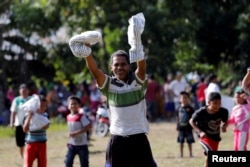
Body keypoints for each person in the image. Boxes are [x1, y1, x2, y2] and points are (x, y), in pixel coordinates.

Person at [69, 13, 157, 167]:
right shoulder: (109, 85)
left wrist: (137, 43)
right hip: (117, 138)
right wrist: (87, 52)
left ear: (129, 66)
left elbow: (141, 68)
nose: (119, 67)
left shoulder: (138, 82)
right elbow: (95, 71)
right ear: (111, 67)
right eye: (116, 65)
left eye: (123, 64)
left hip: (139, 137)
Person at [189, 92, 228, 167]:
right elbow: (191, 121)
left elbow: (225, 122)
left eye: (219, 103)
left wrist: (224, 127)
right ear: (209, 102)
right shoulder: (201, 112)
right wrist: (200, 132)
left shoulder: (223, 112)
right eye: (215, 103)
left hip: (215, 138)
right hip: (204, 137)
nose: (217, 106)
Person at [23, 95, 50, 167]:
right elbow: (25, 129)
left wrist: (37, 120)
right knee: (28, 164)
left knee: (42, 164)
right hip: (31, 143)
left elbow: (46, 126)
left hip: (42, 143)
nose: (43, 108)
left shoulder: (45, 115)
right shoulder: (28, 115)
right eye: (41, 106)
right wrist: (30, 117)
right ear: (36, 105)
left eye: (45, 106)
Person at [64, 95, 91, 167]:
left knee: (84, 164)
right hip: (72, 145)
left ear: (79, 105)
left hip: (82, 145)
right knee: (68, 163)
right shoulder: (68, 117)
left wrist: (76, 133)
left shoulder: (81, 116)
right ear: (68, 106)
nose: (73, 105)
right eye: (71, 104)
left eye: (75, 103)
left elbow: (87, 127)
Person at [9, 83, 31, 158]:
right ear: (19, 91)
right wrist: (12, 122)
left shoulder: (31, 99)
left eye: (25, 91)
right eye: (22, 91)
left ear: (28, 91)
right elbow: (13, 112)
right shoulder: (17, 100)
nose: (24, 92)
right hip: (19, 123)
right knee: (20, 142)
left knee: (29, 141)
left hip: (30, 124)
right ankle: (22, 156)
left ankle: (29, 155)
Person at [176, 91, 195, 158]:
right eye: (182, 98)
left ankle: (190, 153)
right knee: (181, 141)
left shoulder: (191, 108)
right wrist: (177, 126)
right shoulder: (178, 108)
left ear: (188, 99)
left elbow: (193, 118)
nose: (184, 99)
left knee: (189, 141)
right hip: (181, 128)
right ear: (180, 99)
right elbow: (177, 117)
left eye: (186, 98)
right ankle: (181, 154)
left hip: (188, 128)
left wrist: (193, 126)